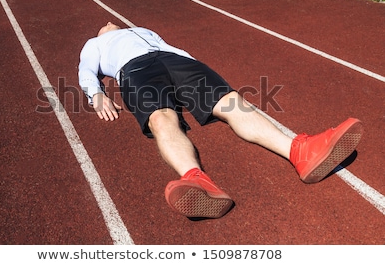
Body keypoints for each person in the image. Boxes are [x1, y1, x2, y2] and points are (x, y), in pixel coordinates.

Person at [78, 21, 364, 219]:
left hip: (178, 62)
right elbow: (86, 70)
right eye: (105, 24)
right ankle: (197, 180)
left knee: (231, 102)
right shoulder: (96, 43)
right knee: (162, 118)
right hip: (136, 70)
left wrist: (195, 67)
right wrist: (96, 95)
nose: (109, 22)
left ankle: (300, 151)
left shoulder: (143, 31)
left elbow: (172, 47)